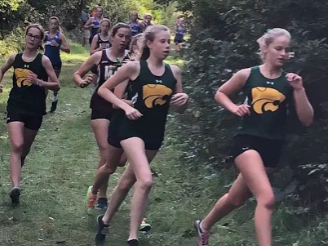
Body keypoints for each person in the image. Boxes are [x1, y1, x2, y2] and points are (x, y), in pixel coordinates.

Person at [194, 28, 314, 246]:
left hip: (272, 147)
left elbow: (307, 120)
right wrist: (234, 107)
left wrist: (299, 89)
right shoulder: (248, 74)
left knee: (236, 198)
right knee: (266, 199)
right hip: (247, 141)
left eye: (287, 50)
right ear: (265, 48)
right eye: (278, 48)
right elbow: (220, 93)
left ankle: (203, 226)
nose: (283, 54)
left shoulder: (290, 82)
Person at [93, 24, 189, 246]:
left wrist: (184, 100)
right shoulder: (134, 68)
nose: (167, 46)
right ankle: (133, 236)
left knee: (128, 181)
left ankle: (105, 220)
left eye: (169, 41)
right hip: (130, 127)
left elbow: (179, 106)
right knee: (145, 179)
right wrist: (125, 106)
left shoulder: (173, 72)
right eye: (162, 41)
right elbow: (103, 90)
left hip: (154, 132)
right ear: (150, 43)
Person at [0, 24, 60, 205]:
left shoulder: (43, 61)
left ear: (40, 41)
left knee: (24, 150)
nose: (32, 39)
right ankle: (15, 186)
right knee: (17, 144)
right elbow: (1, 70)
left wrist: (39, 82)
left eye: (36, 37)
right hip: (16, 106)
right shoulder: (14, 58)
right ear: (25, 37)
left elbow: (56, 84)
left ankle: (16, 177)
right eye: (29, 35)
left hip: (35, 109)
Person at [73, 23, 132, 210]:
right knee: (106, 152)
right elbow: (77, 73)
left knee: (120, 160)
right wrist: (82, 82)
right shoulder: (100, 56)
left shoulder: (131, 60)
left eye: (127, 37)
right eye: (120, 36)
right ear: (112, 37)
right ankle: (101, 196)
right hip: (101, 105)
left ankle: (96, 188)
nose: (124, 40)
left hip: (122, 107)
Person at [44, 16, 70, 113]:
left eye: (55, 24)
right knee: (44, 84)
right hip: (45, 62)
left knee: (53, 84)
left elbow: (68, 49)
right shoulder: (45, 35)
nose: (53, 26)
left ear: (57, 25)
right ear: (49, 24)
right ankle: (43, 106)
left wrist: (58, 45)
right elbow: (39, 44)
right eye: (51, 24)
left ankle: (55, 98)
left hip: (55, 63)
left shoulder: (60, 36)